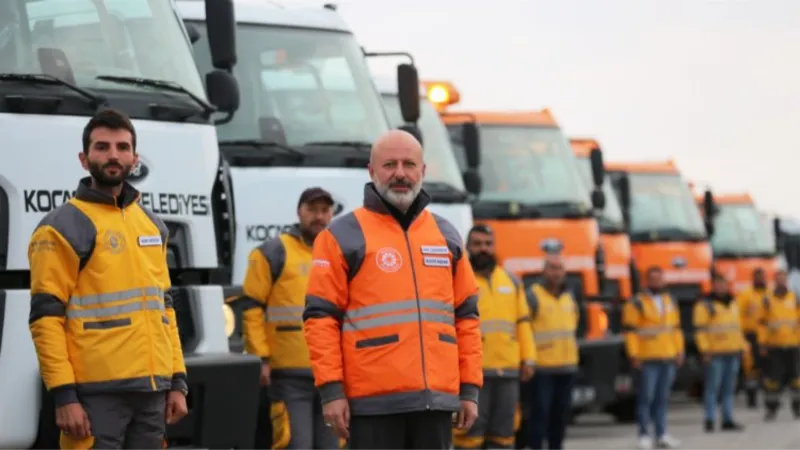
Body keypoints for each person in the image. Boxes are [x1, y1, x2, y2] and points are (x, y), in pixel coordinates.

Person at [302, 129, 483, 450]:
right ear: (372, 171)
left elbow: (466, 317)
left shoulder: (446, 235)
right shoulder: (341, 235)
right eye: (389, 165)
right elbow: (321, 320)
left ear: (423, 171)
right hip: (372, 404)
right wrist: (331, 391)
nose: (400, 173)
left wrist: (469, 389)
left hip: (437, 402)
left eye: (409, 164)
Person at [27, 109, 188, 450]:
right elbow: (45, 319)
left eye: (122, 147)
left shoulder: (152, 225)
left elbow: (165, 309)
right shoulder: (61, 227)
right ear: (84, 159)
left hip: (151, 393)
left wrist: (177, 381)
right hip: (93, 395)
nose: (113, 155)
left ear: (134, 158)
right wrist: (64, 396)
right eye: (102, 147)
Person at [230, 187, 339, 450]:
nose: (318, 217)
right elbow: (251, 307)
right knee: (295, 444)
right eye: (312, 210)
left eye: (324, 211)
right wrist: (262, 359)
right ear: (299, 212)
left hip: (332, 377)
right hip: (288, 375)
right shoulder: (273, 252)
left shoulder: (338, 254)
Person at [452, 225, 536, 450]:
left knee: (504, 435)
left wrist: (528, 358)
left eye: (488, 244)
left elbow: (523, 322)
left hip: (507, 370)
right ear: (468, 247)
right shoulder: (459, 278)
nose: (483, 249)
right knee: (469, 434)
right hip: (473, 373)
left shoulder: (511, 281)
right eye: (478, 244)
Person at [622, 266, 683, 450]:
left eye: (659, 278)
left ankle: (662, 434)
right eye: (653, 279)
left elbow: (675, 329)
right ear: (645, 281)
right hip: (647, 357)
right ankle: (643, 435)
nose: (657, 282)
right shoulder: (636, 302)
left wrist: (679, 350)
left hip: (667, 355)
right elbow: (630, 332)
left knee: (662, 398)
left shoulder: (669, 300)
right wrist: (633, 354)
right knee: (645, 398)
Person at [524, 254, 578, 450]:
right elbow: (523, 329)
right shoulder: (533, 296)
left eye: (559, 268)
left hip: (566, 367)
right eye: (552, 268)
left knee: (561, 417)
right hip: (541, 369)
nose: (556, 273)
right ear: (543, 271)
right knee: (539, 416)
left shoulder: (569, 296)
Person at [693, 272, 746, 432]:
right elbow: (700, 331)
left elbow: (737, 328)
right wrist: (704, 350)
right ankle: (709, 419)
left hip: (733, 351)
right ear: (713, 286)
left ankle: (727, 419)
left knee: (729, 388)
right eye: (718, 284)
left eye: (723, 284)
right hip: (715, 353)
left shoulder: (734, 302)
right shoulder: (704, 305)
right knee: (712, 388)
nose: (721, 287)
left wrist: (742, 347)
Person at [757, 269, 800, 420]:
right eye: (778, 278)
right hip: (775, 346)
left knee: (796, 379)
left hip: (793, 345)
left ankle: (797, 408)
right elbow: (762, 324)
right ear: (774, 281)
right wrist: (762, 343)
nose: (781, 281)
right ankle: (771, 409)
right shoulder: (768, 300)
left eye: (783, 279)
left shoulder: (794, 297)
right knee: (773, 380)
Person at [734, 267, 769, 408]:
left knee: (767, 367)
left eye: (762, 277)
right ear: (753, 278)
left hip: (767, 336)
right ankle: (752, 398)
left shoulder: (769, 294)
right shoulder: (745, 295)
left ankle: (770, 397)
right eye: (758, 277)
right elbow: (738, 315)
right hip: (750, 334)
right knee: (750, 367)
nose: (760, 280)